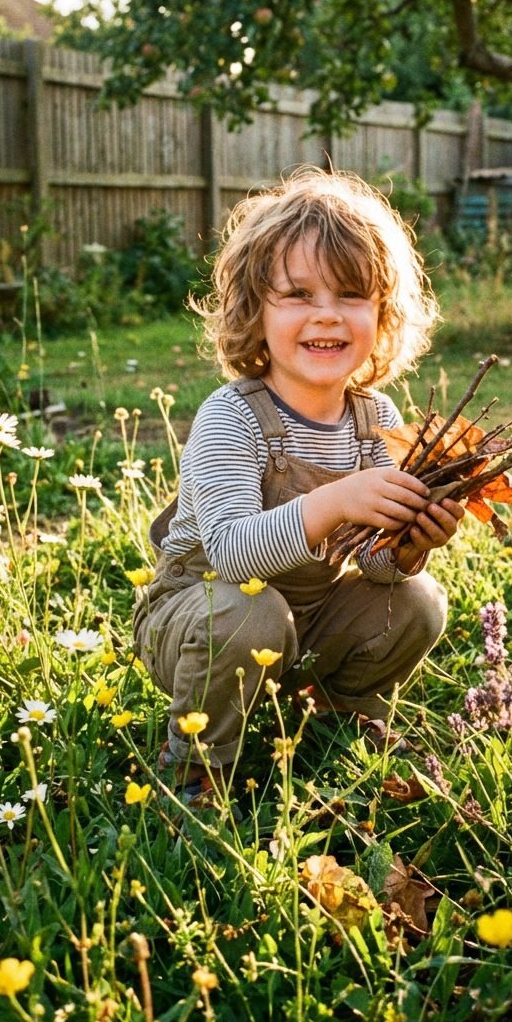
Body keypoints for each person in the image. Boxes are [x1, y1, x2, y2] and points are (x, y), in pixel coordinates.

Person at [133, 167, 465, 805]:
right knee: (244, 610)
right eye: (299, 294)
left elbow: (369, 565)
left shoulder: (377, 422)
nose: (327, 316)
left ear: (383, 314)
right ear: (254, 311)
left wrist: (406, 548)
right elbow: (231, 552)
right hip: (203, 612)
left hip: (309, 617)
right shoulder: (232, 416)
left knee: (417, 599)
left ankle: (336, 715)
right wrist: (335, 500)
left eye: (350, 295)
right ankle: (196, 771)